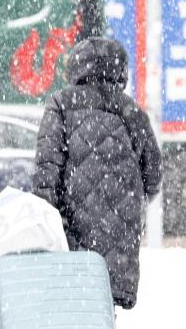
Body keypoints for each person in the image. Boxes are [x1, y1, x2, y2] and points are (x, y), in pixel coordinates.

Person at [32, 37, 162, 310]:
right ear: (119, 71)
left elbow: (47, 171)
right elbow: (153, 174)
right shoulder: (131, 111)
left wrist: (51, 218)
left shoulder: (61, 104)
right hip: (120, 236)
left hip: (72, 230)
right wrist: (129, 201)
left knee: (73, 310)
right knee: (104, 311)